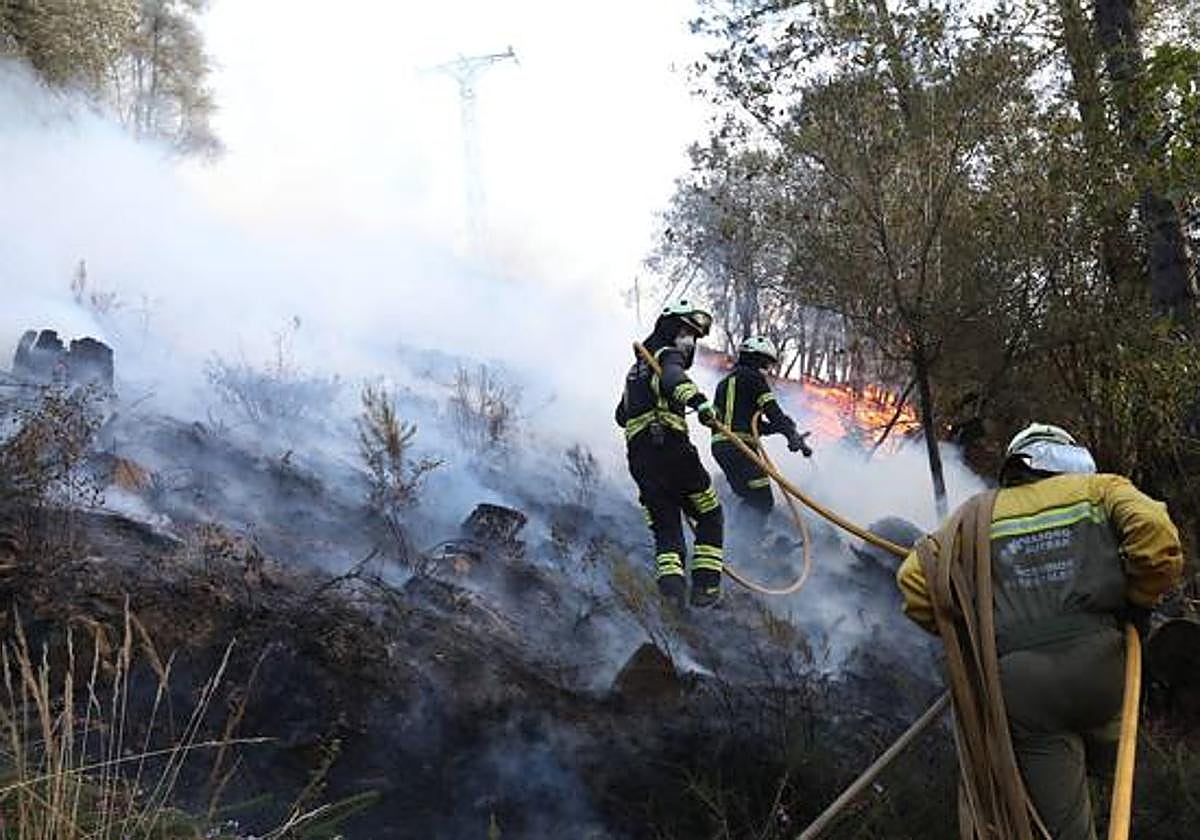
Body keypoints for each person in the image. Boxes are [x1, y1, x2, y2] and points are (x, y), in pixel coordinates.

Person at [895, 423, 1184, 839]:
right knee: (1119, 772)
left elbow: (915, 583)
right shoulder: (1102, 489)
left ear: (1016, 465)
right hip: (1104, 668)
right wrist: (1139, 599)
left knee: (1061, 822)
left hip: (1023, 687)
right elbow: (1158, 540)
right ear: (1067, 457)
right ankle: (1119, 791)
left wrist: (973, 635)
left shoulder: (975, 514)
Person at [616, 299, 724, 608]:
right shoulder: (666, 355)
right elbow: (673, 377)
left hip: (640, 459)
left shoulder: (635, 371)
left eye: (694, 336)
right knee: (710, 512)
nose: (690, 341)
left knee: (666, 525)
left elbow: (621, 415)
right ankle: (705, 588)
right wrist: (700, 402)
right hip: (672, 450)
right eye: (686, 332)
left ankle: (672, 597)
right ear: (669, 328)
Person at [710, 336, 810, 538]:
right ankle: (747, 548)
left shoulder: (724, 383)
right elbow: (772, 410)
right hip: (741, 448)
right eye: (766, 362)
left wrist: (781, 428)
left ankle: (733, 541)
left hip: (721, 448)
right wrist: (790, 433)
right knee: (763, 501)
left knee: (750, 497)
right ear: (756, 358)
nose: (767, 368)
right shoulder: (754, 379)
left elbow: (754, 425)